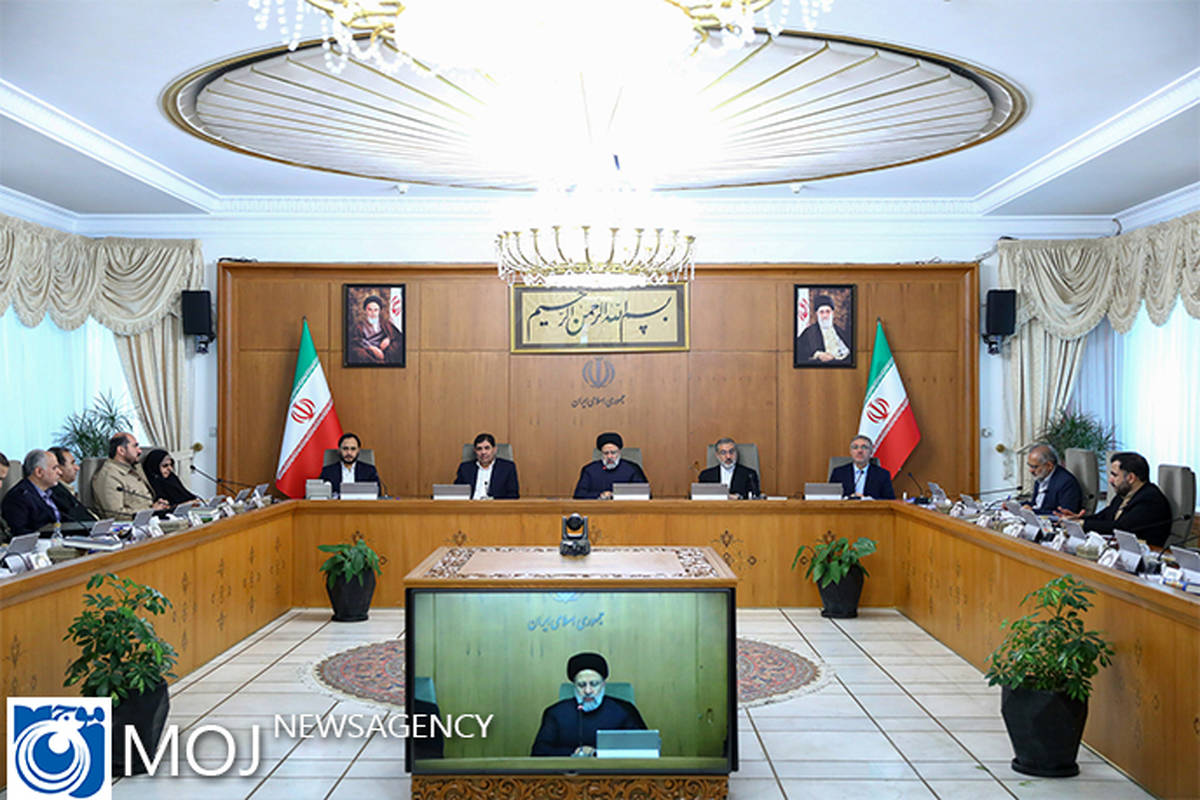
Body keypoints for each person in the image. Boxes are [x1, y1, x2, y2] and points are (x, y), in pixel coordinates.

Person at [531, 652, 647, 757]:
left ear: (603, 684)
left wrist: (597, 753)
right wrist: (575, 752)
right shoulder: (556, 713)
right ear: (574, 686)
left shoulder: (624, 710)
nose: (587, 691)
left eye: (594, 684)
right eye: (581, 685)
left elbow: (646, 749)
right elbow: (539, 752)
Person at [1059, 451, 1173, 547]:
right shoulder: (1125, 494)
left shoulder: (1150, 499)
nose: (1110, 480)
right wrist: (1076, 519)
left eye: (1114, 475)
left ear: (1131, 478)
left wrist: (1083, 523)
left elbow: (1120, 528)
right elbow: (1103, 517)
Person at [91, 433, 169, 520]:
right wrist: (151, 510)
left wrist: (158, 505)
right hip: (132, 525)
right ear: (121, 450)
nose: (139, 451)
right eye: (135, 446)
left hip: (149, 519)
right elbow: (115, 515)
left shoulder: (134, 468)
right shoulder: (108, 476)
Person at [1, 450, 62, 539]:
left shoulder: (56, 491)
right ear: (39, 472)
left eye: (2, 480)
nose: (60, 472)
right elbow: (19, 534)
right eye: (55, 468)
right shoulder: (18, 496)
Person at [573, 433, 649, 500]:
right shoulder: (589, 470)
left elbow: (645, 495)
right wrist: (600, 495)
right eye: (606, 453)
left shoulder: (632, 469)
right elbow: (578, 495)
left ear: (619, 452)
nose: (609, 456)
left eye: (613, 453)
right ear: (601, 453)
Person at [828, 435, 896, 499]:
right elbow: (830, 498)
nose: (859, 451)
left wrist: (868, 500)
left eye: (864, 447)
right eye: (855, 447)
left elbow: (890, 500)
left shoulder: (883, 474)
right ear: (850, 452)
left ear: (871, 452)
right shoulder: (838, 473)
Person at [454, 433, 519, 499]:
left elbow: (513, 495)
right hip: (471, 504)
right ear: (475, 451)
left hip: (495, 504)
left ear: (494, 449)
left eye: (487, 448)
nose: (483, 452)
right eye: (479, 449)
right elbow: (457, 493)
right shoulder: (465, 468)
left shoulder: (508, 468)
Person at [1023, 443, 1083, 515]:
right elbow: (1036, 504)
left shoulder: (1067, 483)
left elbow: (1065, 515)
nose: (1030, 470)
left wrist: (1033, 511)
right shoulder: (1041, 475)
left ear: (1049, 465)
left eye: (1034, 467)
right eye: (1029, 466)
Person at [795, 294, 851, 365]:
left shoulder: (841, 332)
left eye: (828, 311)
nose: (825, 316)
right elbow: (799, 353)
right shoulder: (808, 333)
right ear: (817, 314)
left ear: (832, 313)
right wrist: (817, 355)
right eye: (821, 312)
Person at [48, 446, 98, 524]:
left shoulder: (66, 489)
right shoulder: (56, 493)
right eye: (72, 463)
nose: (77, 468)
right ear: (58, 467)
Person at [350, 295, 403, 364]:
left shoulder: (385, 324)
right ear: (365, 310)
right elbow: (356, 341)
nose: (373, 313)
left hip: (384, 351)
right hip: (368, 351)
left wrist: (388, 339)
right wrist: (372, 348)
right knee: (359, 353)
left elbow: (397, 336)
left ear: (379, 311)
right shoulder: (359, 326)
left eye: (376, 310)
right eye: (370, 309)